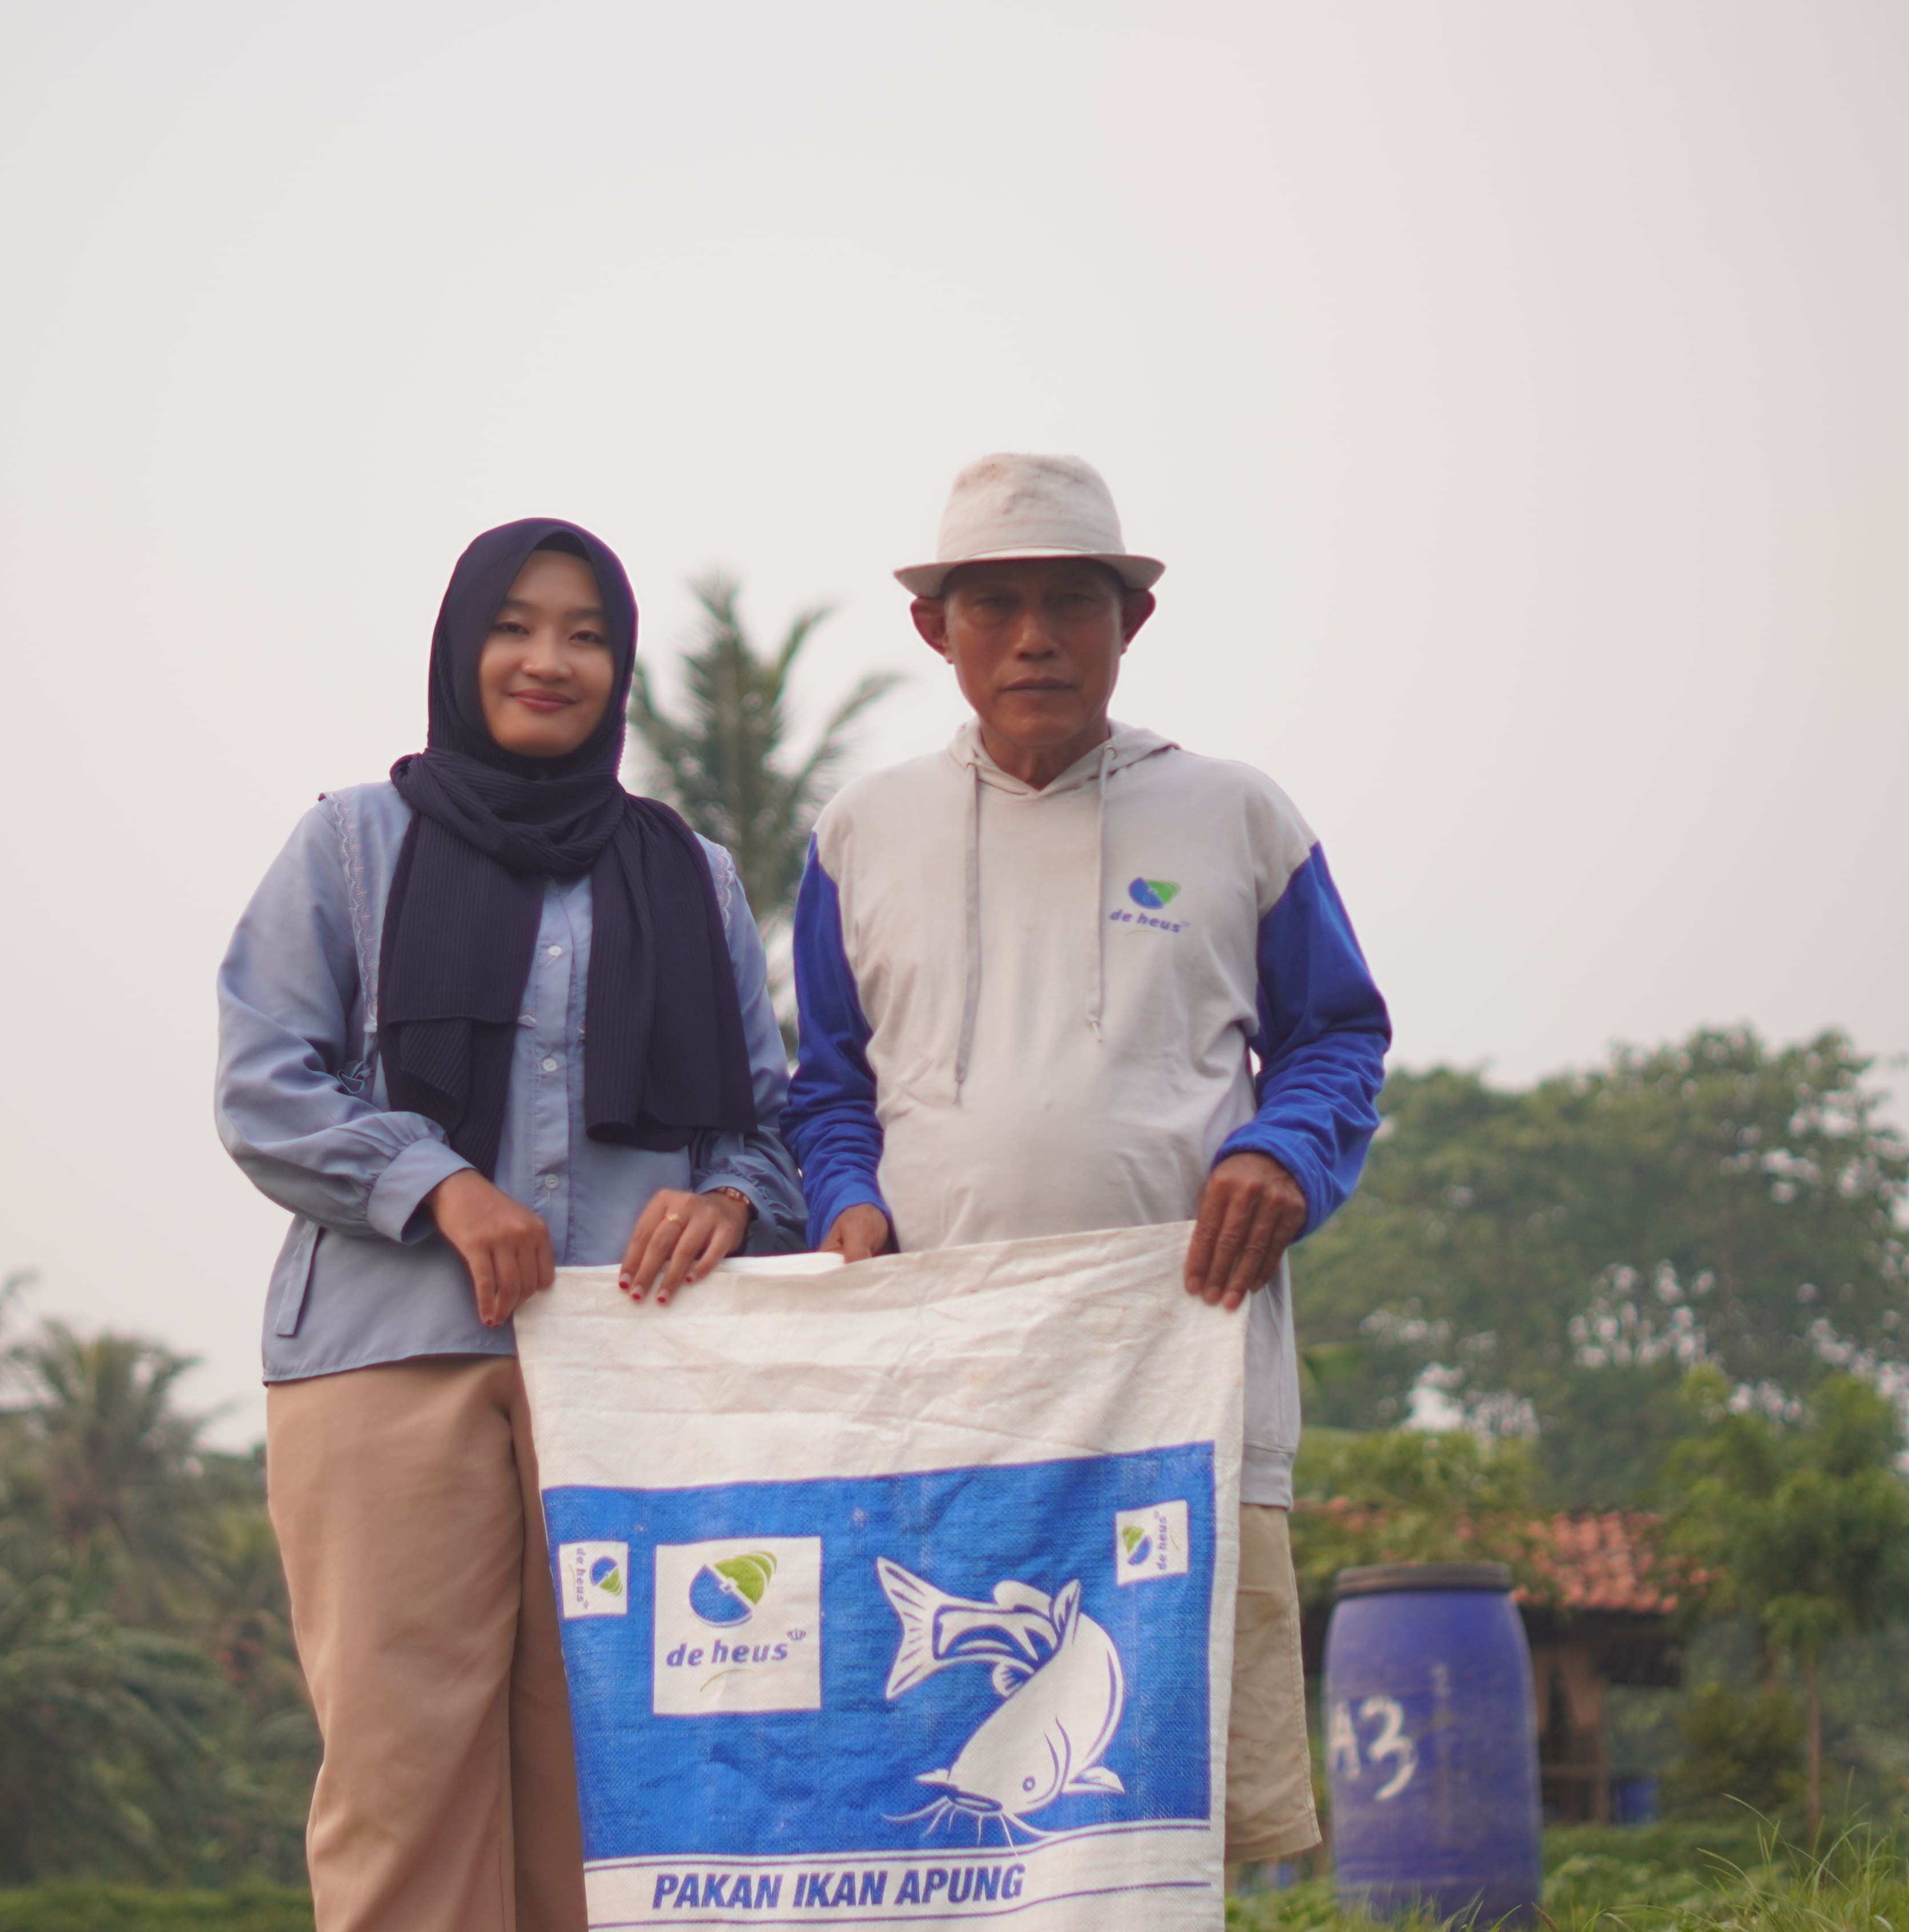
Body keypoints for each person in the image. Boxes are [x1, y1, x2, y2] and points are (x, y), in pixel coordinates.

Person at [786, 453, 1391, 1870]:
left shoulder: (1238, 814)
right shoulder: (861, 830)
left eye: (1072, 599)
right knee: (944, 1803)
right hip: (938, 1397)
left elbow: (1338, 1041)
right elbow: (824, 1087)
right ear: (936, 631)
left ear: (1135, 620)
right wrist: (847, 1205)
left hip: (1179, 1384)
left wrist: (1282, 1152)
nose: (1035, 635)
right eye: (993, 603)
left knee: (1164, 1815)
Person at [216, 518, 805, 1931]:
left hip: (633, 1382)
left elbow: (767, 1126)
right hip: (387, 1365)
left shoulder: (691, 874)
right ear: (460, 643)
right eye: (517, 625)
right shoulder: (353, 844)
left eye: (588, 633)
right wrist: (439, 1182)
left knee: (612, 1798)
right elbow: (262, 1078)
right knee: (401, 1784)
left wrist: (727, 1200)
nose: (550, 659)